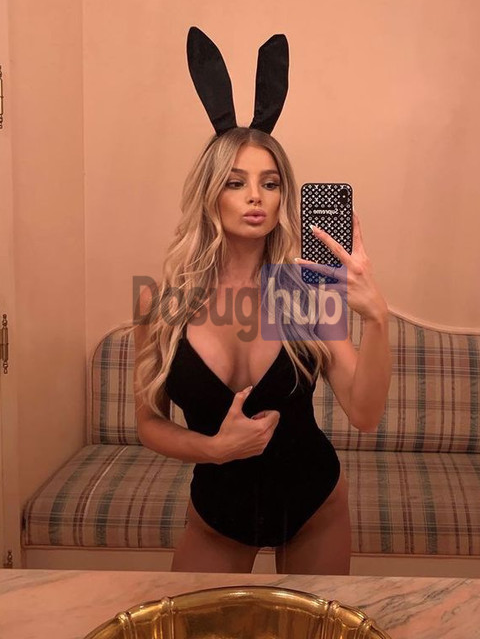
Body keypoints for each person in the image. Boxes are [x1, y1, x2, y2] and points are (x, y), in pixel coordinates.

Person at [132, 29, 392, 575]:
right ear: (210, 193)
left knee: (318, 621)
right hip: (218, 515)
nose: (255, 196)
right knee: (196, 620)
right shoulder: (162, 303)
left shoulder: (307, 292)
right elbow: (149, 424)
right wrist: (215, 449)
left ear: (282, 197)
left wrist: (377, 320)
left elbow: (365, 414)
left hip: (314, 508)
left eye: (270, 183)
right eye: (235, 182)